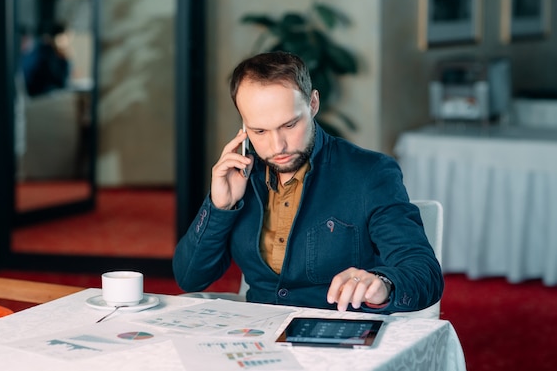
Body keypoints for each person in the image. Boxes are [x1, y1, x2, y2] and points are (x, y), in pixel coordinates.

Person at [173, 51, 444, 313]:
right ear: (244, 126)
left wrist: (382, 283)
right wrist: (221, 206)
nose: (277, 145)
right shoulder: (241, 176)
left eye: (290, 125)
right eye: (259, 131)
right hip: (258, 339)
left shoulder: (370, 173)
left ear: (313, 104)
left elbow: (424, 273)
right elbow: (190, 278)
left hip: (338, 341)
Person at [21, 21, 71, 97]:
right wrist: (65, 59)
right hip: (40, 97)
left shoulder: (37, 51)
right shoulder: (46, 55)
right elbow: (62, 83)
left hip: (36, 95)